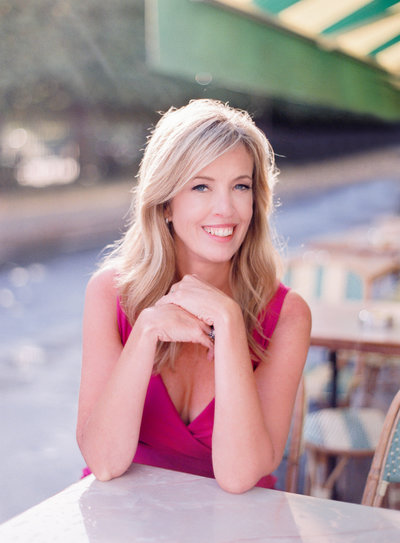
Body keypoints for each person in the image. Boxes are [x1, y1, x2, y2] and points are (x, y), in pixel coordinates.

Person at [76, 98, 311, 494]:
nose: (226, 209)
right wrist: (147, 330)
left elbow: (239, 477)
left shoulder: (287, 316)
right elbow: (103, 461)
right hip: (121, 523)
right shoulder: (109, 294)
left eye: (241, 186)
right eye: (201, 186)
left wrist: (230, 321)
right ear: (166, 203)